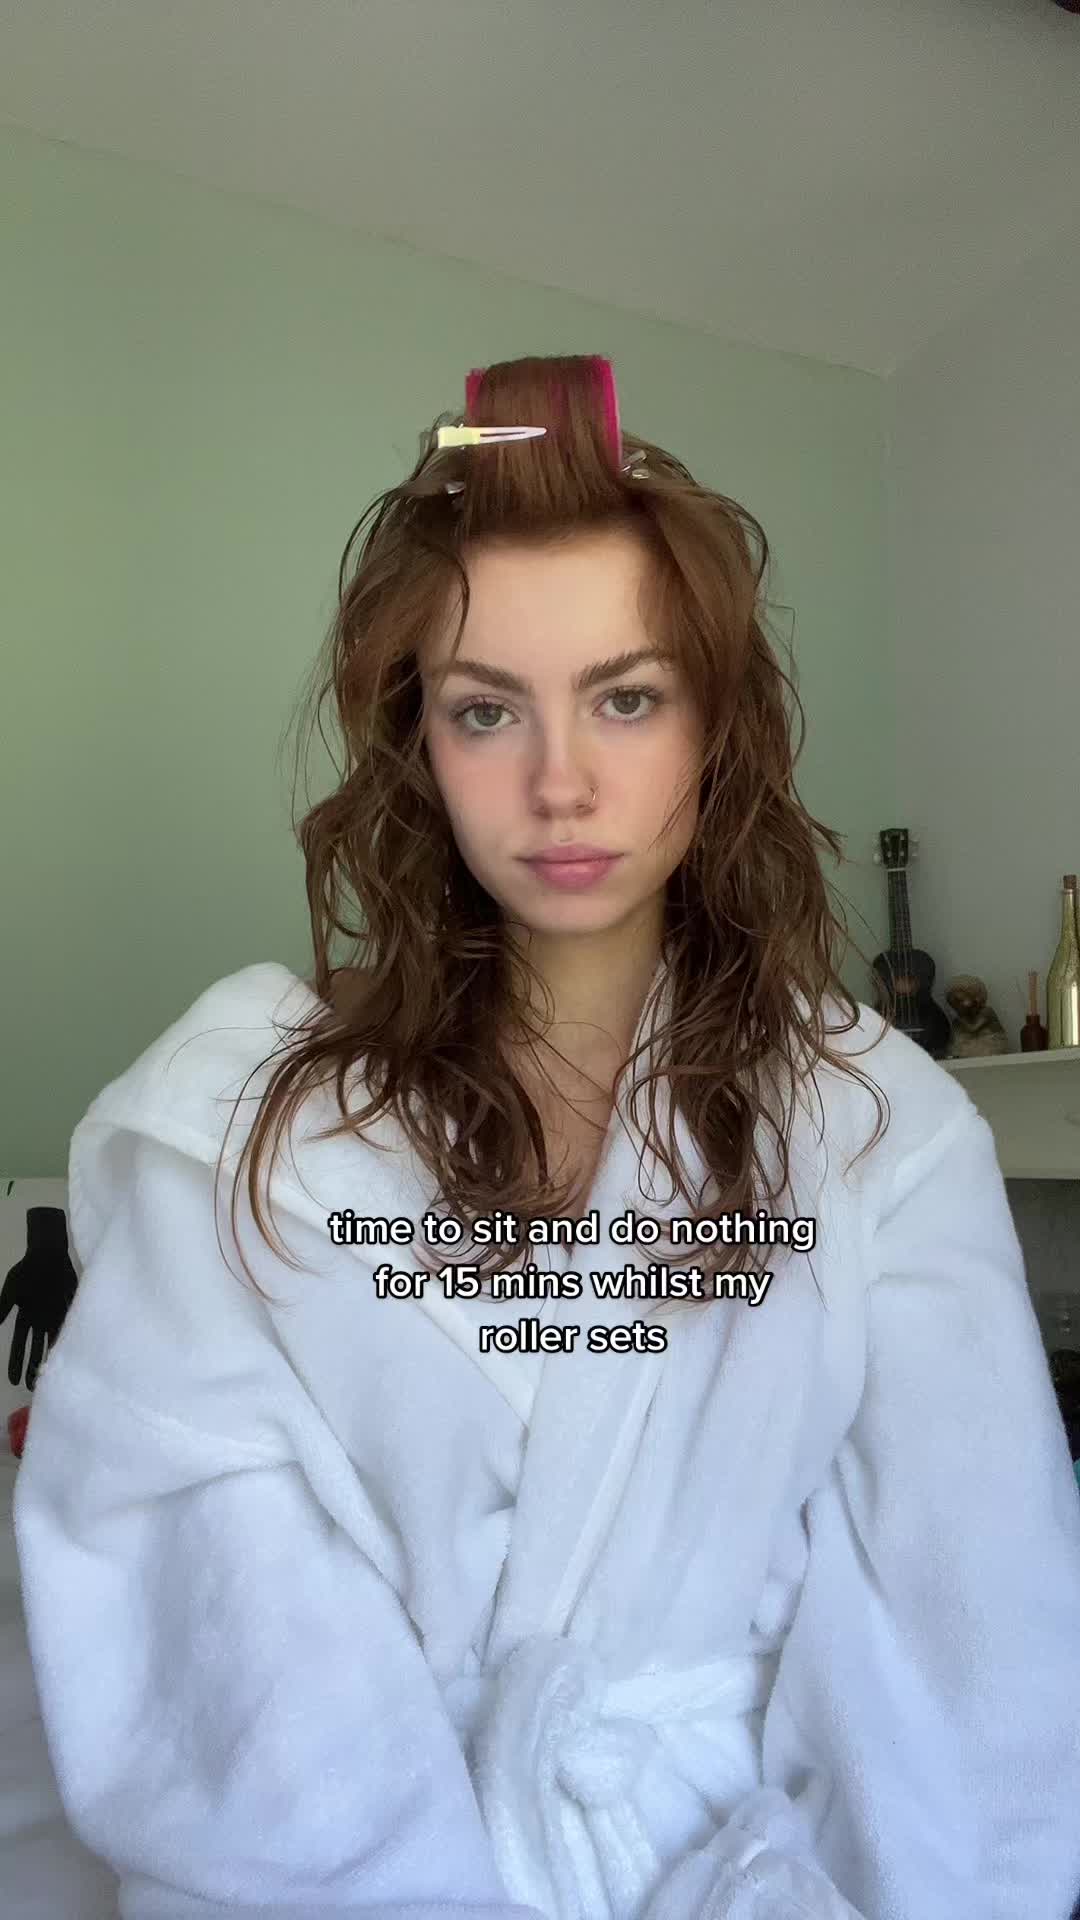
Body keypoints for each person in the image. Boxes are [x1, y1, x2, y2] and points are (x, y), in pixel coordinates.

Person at [13, 353, 1080, 1920]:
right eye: (485, 710)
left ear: (715, 729)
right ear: (419, 746)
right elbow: (214, 1640)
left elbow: (970, 1649)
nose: (560, 783)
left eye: (626, 697)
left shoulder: (881, 1129)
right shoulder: (244, 1114)